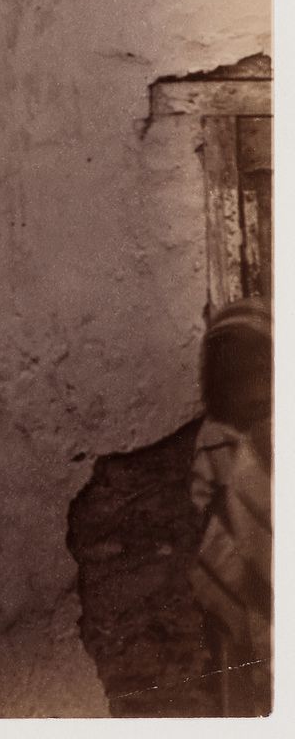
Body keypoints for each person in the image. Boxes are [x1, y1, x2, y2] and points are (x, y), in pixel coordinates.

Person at [189, 298, 272, 716]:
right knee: (237, 661)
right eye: (239, 377)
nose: (253, 391)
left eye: (262, 374)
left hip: (267, 556)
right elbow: (201, 502)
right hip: (233, 559)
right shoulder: (213, 438)